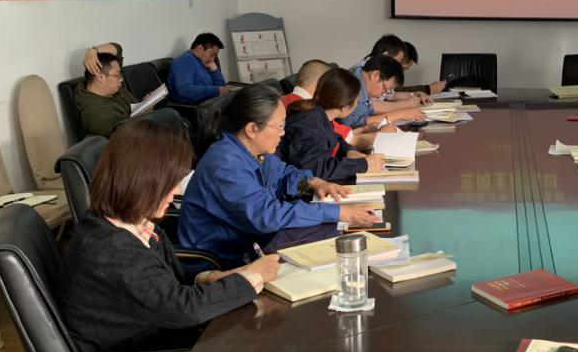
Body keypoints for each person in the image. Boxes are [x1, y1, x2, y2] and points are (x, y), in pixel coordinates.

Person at [57, 119, 280, 352]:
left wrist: (209, 277)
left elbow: (158, 281)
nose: (175, 191)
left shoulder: (127, 223)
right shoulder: (110, 251)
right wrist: (252, 277)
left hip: (154, 348)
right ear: (143, 181)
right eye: (170, 183)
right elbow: (182, 308)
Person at [178, 84, 378, 268]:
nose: (283, 133)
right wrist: (337, 212)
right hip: (220, 263)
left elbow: (283, 179)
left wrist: (314, 183)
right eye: (280, 126)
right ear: (252, 129)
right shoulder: (226, 165)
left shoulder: (254, 151)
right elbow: (267, 215)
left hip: (253, 244)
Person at [282, 68, 386, 181]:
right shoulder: (308, 124)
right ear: (344, 106)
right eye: (356, 101)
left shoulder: (320, 114)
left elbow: (336, 139)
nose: (356, 105)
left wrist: (350, 152)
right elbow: (316, 169)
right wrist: (363, 165)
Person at [340, 54, 422, 131]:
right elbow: (354, 124)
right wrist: (399, 114)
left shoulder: (362, 80)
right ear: (375, 75)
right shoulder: (348, 84)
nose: (383, 94)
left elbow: (368, 112)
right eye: (385, 88)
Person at [74, 43, 134, 137]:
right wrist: (148, 113)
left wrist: (93, 51)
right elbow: (129, 133)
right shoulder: (97, 113)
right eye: (117, 75)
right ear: (100, 77)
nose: (121, 79)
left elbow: (117, 49)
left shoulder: (111, 88)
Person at [167, 32, 229, 104]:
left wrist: (215, 70)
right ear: (200, 48)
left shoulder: (203, 62)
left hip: (209, 103)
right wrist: (216, 90)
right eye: (212, 54)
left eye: (215, 56)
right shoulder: (185, 60)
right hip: (194, 107)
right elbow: (185, 90)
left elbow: (222, 89)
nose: (212, 59)